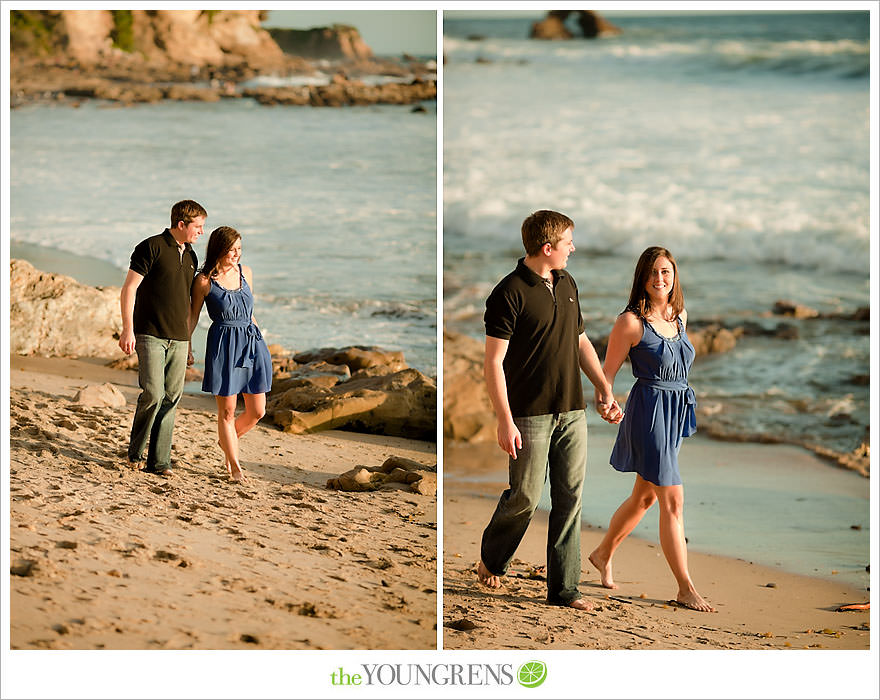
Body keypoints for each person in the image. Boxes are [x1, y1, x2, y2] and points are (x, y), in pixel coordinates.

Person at [477, 209, 622, 611]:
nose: (572, 248)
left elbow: (580, 342)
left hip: (572, 411)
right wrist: (504, 420)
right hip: (528, 413)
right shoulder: (508, 293)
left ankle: (564, 590)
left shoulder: (567, 283)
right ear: (547, 247)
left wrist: (603, 387)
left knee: (569, 499)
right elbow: (492, 362)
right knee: (525, 496)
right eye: (568, 243)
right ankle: (493, 556)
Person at [588, 246, 715, 612]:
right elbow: (606, 374)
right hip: (649, 413)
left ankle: (602, 552)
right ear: (642, 279)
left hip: (675, 413)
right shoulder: (630, 322)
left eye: (666, 272)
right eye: (653, 273)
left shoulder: (680, 316)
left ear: (674, 275)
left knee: (645, 497)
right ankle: (685, 587)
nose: (661, 279)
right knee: (673, 500)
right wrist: (606, 403)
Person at [119, 199, 206, 477]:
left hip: (179, 338)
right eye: (198, 226)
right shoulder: (151, 247)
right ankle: (135, 452)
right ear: (181, 224)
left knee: (171, 398)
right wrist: (127, 328)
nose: (201, 232)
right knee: (153, 394)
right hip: (149, 333)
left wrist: (190, 342)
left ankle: (159, 462)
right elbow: (129, 289)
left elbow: (189, 302)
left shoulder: (191, 256)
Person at [189, 226, 272, 483]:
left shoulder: (245, 273)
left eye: (240, 249)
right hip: (224, 346)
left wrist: (262, 345)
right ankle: (235, 466)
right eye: (232, 249)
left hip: (252, 343)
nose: (237, 254)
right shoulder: (203, 281)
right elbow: (192, 315)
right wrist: (188, 346)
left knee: (258, 411)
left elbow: (249, 311)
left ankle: (226, 439)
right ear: (218, 249)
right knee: (227, 411)